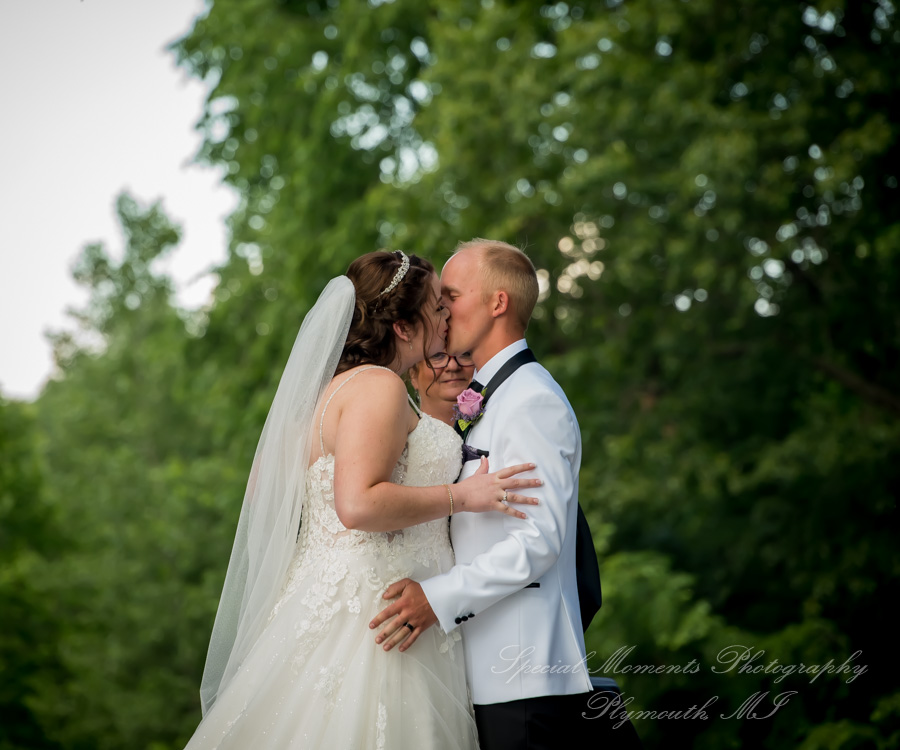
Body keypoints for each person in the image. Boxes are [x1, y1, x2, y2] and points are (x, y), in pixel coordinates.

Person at [184, 250, 542, 749]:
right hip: (379, 617)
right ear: (402, 326)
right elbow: (357, 506)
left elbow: (268, 487)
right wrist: (462, 495)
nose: (445, 318)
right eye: (437, 307)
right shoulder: (378, 387)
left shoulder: (330, 393)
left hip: (341, 601)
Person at [370, 240, 599, 749]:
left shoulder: (532, 399)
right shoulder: (489, 398)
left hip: (522, 676)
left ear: (498, 303)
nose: (442, 308)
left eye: (451, 294)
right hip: (485, 672)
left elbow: (538, 542)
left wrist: (436, 598)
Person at [409, 351, 476, 426]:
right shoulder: (400, 434)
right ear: (413, 375)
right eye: (437, 355)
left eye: (464, 354)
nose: (453, 366)